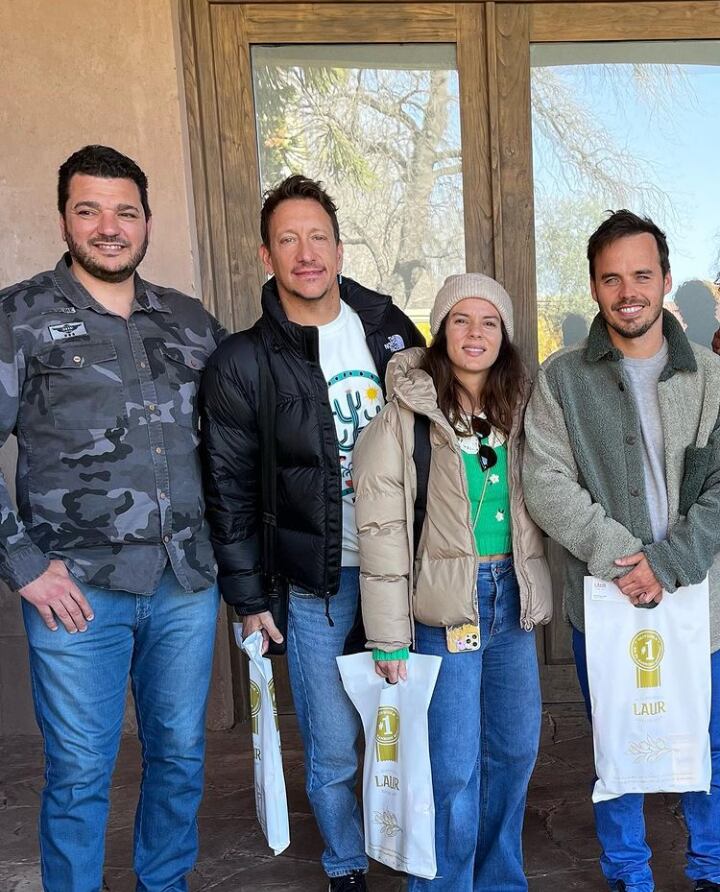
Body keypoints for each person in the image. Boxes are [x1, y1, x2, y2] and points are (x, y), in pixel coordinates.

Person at [0, 145, 225, 891]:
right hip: (77, 592)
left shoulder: (190, 325)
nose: (109, 226)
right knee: (79, 770)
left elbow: (239, 442)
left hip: (184, 583)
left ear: (147, 222)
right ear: (63, 219)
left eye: (125, 211)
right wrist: (23, 564)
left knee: (180, 756)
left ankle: (164, 883)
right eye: (89, 209)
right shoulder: (20, 318)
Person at [199, 174, 424, 891]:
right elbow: (227, 487)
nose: (306, 253)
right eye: (288, 239)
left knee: (417, 730)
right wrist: (247, 594)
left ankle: (418, 852)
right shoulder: (242, 361)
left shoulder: (391, 332)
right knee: (331, 745)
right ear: (266, 255)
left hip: (409, 573)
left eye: (317, 236)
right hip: (315, 581)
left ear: (339, 246)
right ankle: (346, 865)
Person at [523, 209, 720, 892]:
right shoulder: (563, 379)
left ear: (665, 279)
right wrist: (621, 559)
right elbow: (543, 481)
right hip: (604, 601)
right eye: (612, 278)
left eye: (642, 275)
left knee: (710, 745)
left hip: (701, 605)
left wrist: (665, 565)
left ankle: (709, 869)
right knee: (617, 745)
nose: (627, 290)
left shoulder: (714, 378)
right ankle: (628, 875)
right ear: (595, 286)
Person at [353, 273, 553, 890]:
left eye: (489, 321)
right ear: (440, 332)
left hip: (511, 604)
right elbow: (381, 534)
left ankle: (499, 880)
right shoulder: (403, 420)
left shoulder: (525, 413)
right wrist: (388, 637)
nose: (475, 333)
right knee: (453, 768)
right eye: (460, 320)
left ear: (505, 335)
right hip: (442, 614)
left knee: (515, 752)